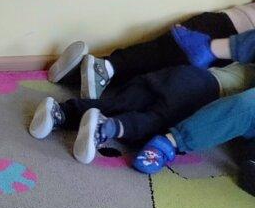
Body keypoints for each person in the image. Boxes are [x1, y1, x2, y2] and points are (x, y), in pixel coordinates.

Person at [30, 60, 255, 164]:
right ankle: (107, 127)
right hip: (203, 95)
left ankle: (60, 112)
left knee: (121, 102)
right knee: (152, 124)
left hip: (186, 74)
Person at [46, 0, 255, 100]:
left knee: (151, 63)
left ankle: (78, 73)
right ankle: (102, 68)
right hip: (227, 36)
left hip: (223, 25)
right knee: (156, 70)